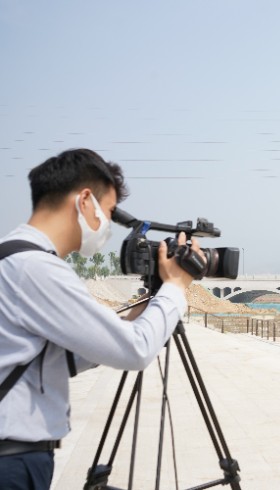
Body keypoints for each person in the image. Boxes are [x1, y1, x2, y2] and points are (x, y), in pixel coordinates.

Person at [0, 149, 201, 489]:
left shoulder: (15, 258)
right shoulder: (35, 268)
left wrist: (138, 313)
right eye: (109, 212)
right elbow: (136, 351)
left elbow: (55, 358)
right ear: (84, 201)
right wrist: (176, 287)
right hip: (12, 463)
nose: (107, 225)